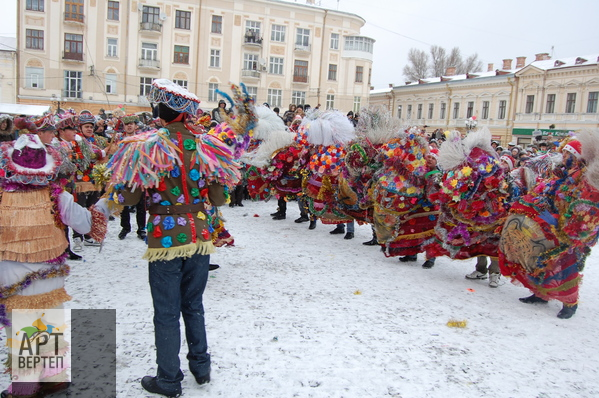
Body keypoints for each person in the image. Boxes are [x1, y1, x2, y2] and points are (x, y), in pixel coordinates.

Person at [109, 79, 230, 396]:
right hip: (200, 234)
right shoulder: (205, 144)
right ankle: (201, 368)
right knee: (193, 304)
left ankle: (168, 379)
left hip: (165, 238)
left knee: (166, 311)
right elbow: (218, 198)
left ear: (161, 110)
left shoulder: (147, 146)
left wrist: (124, 187)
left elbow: (131, 200)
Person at [0, 133, 109, 398]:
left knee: (24, 328)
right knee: (48, 321)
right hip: (50, 274)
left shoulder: (2, 196)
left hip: (12, 274)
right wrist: (106, 205)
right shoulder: (57, 196)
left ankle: (25, 387)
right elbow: (86, 224)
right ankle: (54, 376)